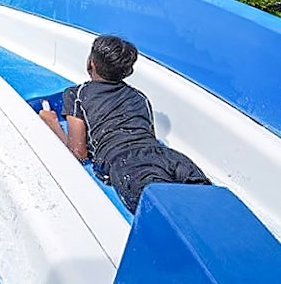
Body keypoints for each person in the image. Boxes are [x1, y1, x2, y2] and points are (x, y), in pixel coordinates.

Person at [39, 35, 211, 213]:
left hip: (126, 164)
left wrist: (53, 124)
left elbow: (78, 154)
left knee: (163, 212)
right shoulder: (140, 97)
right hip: (169, 157)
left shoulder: (77, 95)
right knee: (211, 203)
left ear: (91, 63)